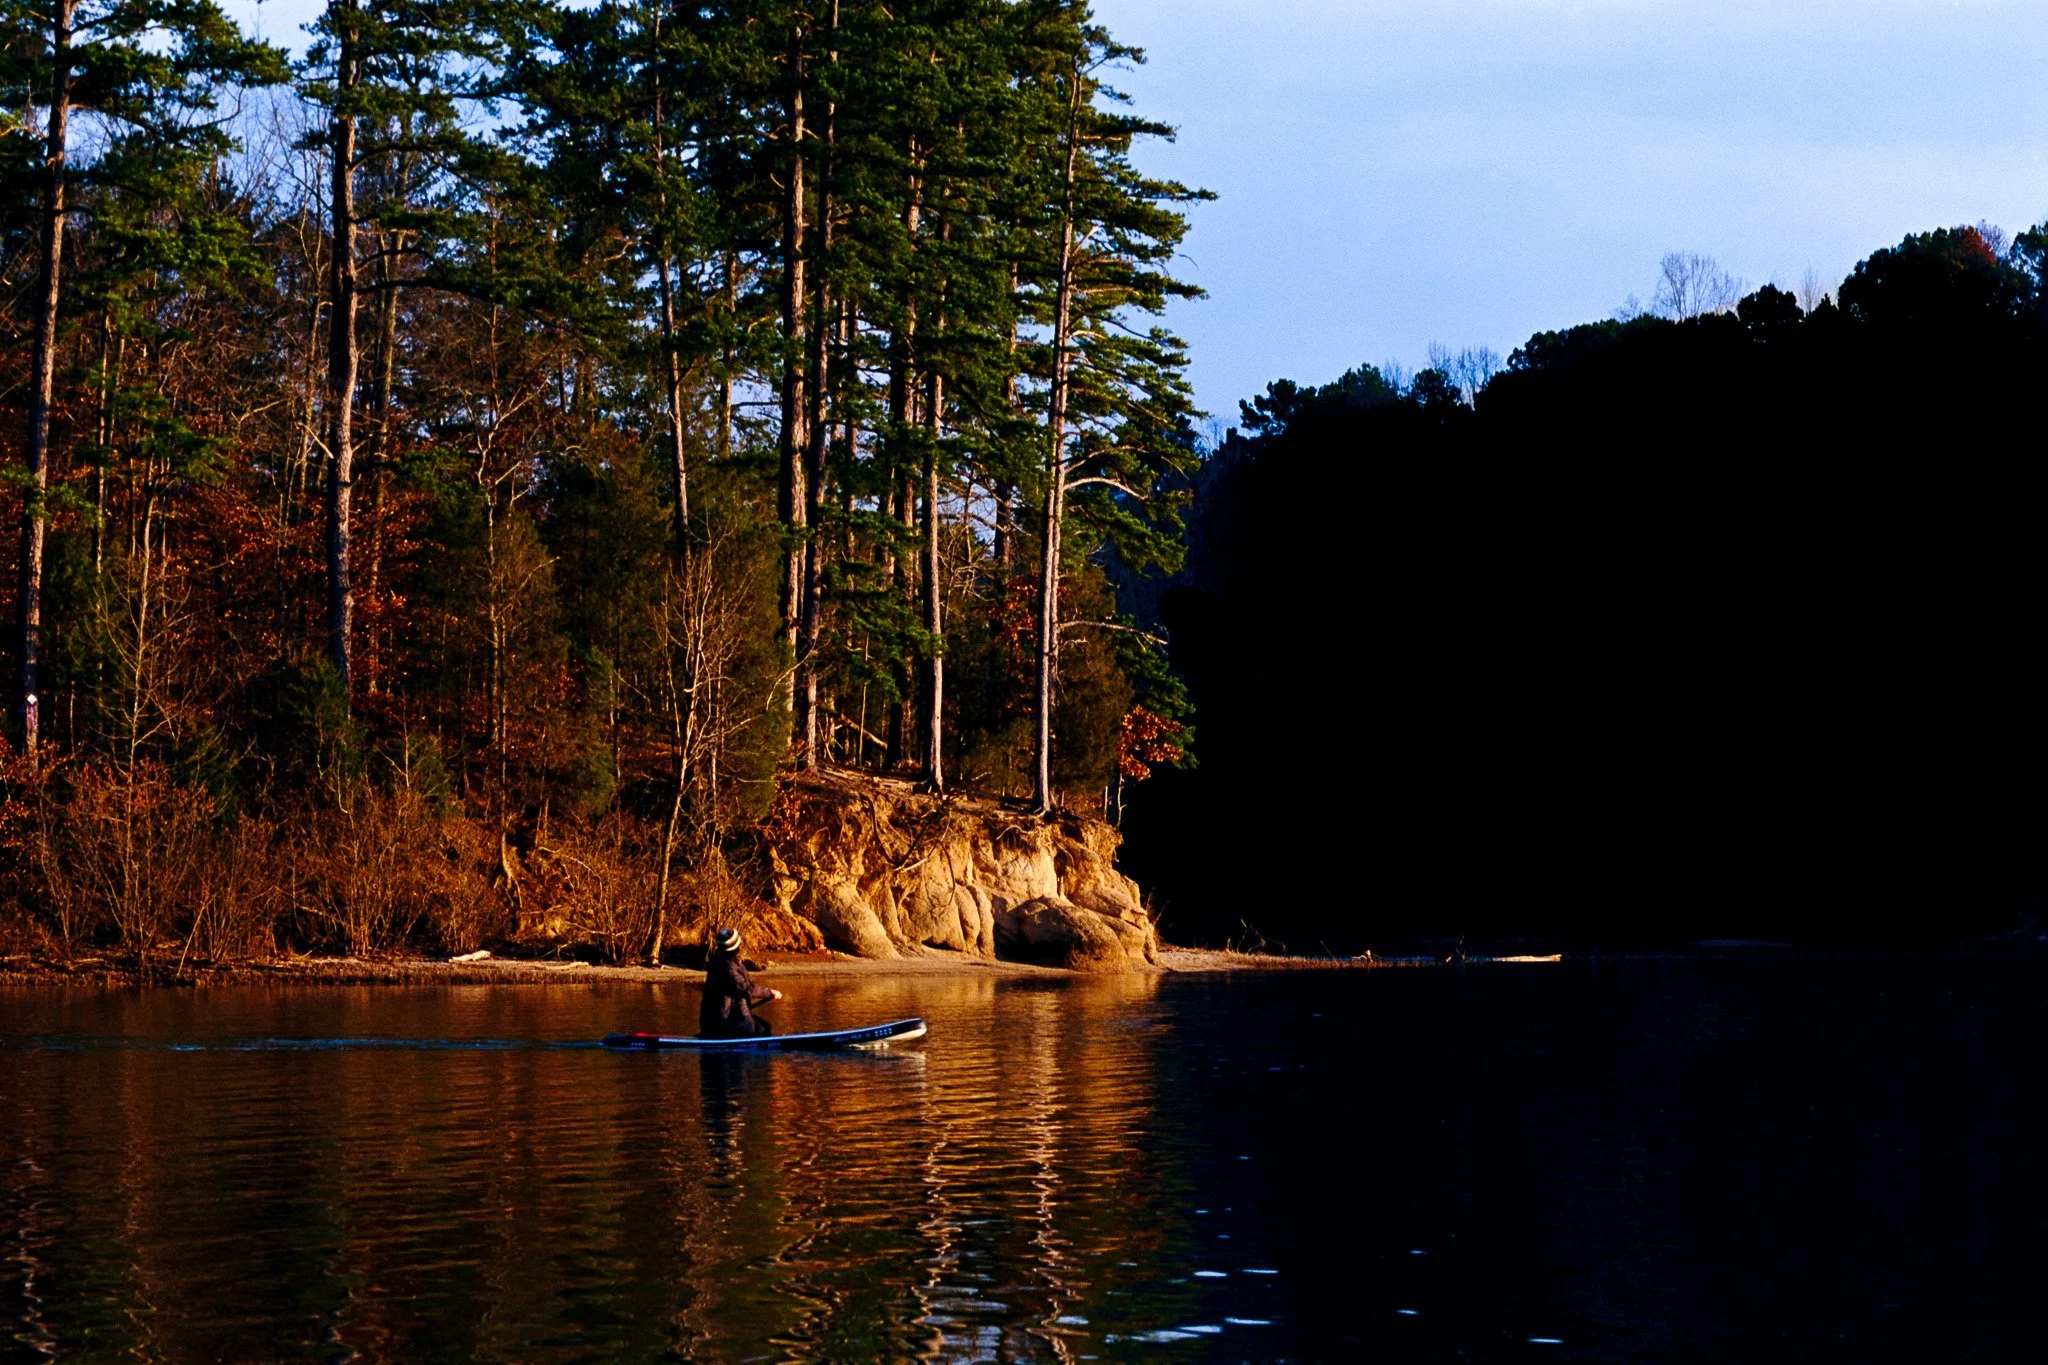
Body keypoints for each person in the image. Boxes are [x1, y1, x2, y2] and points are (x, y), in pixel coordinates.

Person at [700, 926, 781, 1038]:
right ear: (735, 947)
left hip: (734, 1014)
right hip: (723, 1019)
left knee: (764, 1028)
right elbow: (746, 987)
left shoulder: (730, 962)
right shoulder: (726, 967)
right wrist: (769, 992)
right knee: (757, 1031)